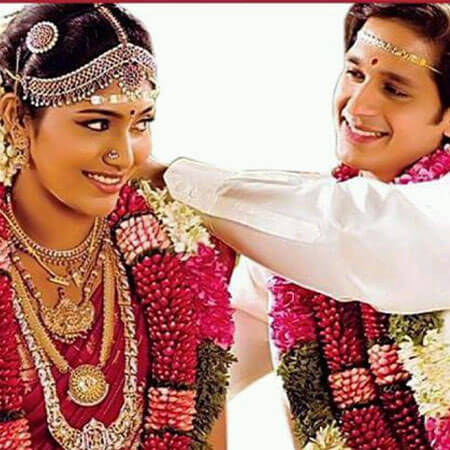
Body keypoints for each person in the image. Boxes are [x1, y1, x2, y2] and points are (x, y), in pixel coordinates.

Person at [146, 3, 450, 449]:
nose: (359, 105)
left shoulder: (416, 215)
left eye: (395, 90)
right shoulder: (289, 252)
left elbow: (353, 232)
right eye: (355, 73)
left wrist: (163, 176)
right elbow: (203, 374)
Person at [0, 4, 235, 450]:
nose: (124, 156)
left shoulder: (183, 257)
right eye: (96, 124)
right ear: (17, 119)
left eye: (141, 123)